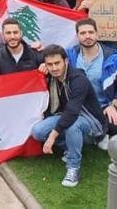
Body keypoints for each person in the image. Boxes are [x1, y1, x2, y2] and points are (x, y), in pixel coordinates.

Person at [30, 45, 107, 188]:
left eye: (57, 63)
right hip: (64, 116)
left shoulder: (79, 79)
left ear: (65, 61)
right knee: (37, 131)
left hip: (90, 122)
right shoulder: (51, 77)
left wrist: (53, 136)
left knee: (73, 124)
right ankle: (70, 147)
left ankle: (73, 167)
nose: (53, 68)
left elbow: (72, 111)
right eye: (50, 64)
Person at [63, 19, 117, 139]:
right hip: (77, 106)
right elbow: (50, 58)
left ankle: (94, 132)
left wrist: (113, 105)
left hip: (103, 107)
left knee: (113, 126)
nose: (87, 36)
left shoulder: (114, 60)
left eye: (91, 32)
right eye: (83, 33)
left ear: (97, 34)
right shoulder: (69, 56)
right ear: (77, 36)